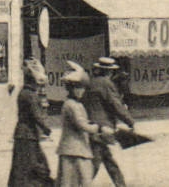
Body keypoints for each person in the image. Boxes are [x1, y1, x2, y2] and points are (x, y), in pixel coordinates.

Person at [84, 57, 134, 186]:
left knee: (108, 160)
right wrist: (129, 121)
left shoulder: (91, 82)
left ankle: (121, 185)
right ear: (108, 72)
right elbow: (115, 105)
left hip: (92, 125)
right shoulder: (107, 84)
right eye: (111, 71)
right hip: (103, 128)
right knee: (95, 164)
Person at [9, 59, 55, 187]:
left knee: (23, 168)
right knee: (33, 168)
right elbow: (37, 116)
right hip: (28, 136)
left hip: (23, 135)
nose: (40, 87)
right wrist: (47, 129)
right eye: (39, 84)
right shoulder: (31, 95)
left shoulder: (23, 92)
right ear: (33, 81)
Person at [56, 64, 100, 187]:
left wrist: (93, 125)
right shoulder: (70, 105)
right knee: (75, 182)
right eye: (78, 88)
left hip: (78, 149)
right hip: (74, 151)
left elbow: (84, 122)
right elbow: (81, 124)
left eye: (82, 88)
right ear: (71, 88)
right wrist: (98, 128)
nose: (81, 91)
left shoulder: (77, 104)